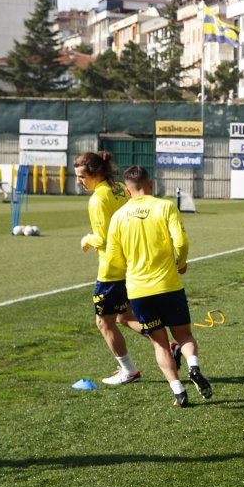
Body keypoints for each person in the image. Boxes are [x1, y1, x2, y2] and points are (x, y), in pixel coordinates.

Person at [104, 166, 212, 407]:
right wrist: (180, 262)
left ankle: (178, 391)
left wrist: (129, 269)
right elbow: (181, 241)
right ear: (151, 184)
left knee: (160, 343)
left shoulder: (119, 216)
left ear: (127, 190)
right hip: (169, 285)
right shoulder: (165, 206)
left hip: (138, 290)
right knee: (183, 335)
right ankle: (193, 366)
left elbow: (113, 257)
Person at [74, 151, 144, 386]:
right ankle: (170, 346)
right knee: (125, 316)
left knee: (104, 323)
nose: (79, 181)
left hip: (112, 269)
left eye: (82, 176)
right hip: (131, 263)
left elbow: (102, 238)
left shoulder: (97, 198)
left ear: (96, 173)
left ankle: (129, 371)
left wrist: (87, 240)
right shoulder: (121, 188)